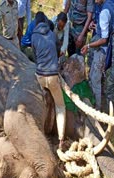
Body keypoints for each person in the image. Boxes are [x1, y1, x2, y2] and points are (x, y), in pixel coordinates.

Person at [31, 12, 66, 150]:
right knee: (60, 106)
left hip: (40, 75)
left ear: (35, 23)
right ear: (45, 21)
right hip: (53, 75)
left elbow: (35, 57)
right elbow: (57, 51)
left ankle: (40, 136)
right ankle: (61, 139)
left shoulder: (34, 36)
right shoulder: (51, 34)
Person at [81, 0, 114, 110]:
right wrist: (96, 26)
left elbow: (104, 39)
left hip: (103, 50)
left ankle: (96, 108)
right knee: (97, 76)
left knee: (95, 79)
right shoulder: (110, 4)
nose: (94, 1)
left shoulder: (104, 11)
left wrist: (88, 46)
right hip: (109, 45)